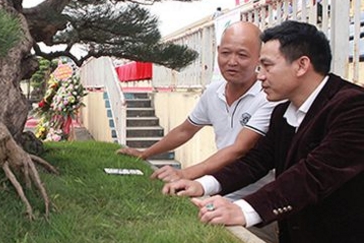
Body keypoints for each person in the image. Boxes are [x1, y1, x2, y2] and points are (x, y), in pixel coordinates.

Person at [164, 21, 364, 243]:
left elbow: (313, 175)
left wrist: (242, 210)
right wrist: (202, 185)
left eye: (267, 66)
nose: (260, 76)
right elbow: (255, 162)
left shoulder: (352, 107)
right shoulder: (282, 111)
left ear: (301, 65)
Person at [117, 22, 277, 200]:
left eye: (242, 55)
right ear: (217, 51)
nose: (232, 62)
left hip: (258, 197)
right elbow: (184, 131)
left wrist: (185, 174)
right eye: (225, 53)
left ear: (259, 57)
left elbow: (239, 148)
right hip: (219, 190)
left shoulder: (269, 97)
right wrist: (145, 153)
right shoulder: (213, 92)